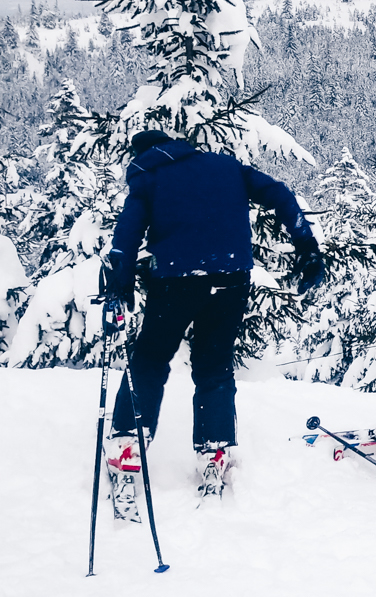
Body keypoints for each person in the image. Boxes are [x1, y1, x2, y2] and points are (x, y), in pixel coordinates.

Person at [100, 128, 324, 513]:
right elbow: (280, 194)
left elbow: (128, 232)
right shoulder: (226, 166)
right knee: (214, 366)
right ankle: (214, 453)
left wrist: (118, 278)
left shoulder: (147, 174)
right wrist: (307, 247)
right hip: (231, 280)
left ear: (145, 152)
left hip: (174, 282)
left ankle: (128, 446)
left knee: (150, 360)